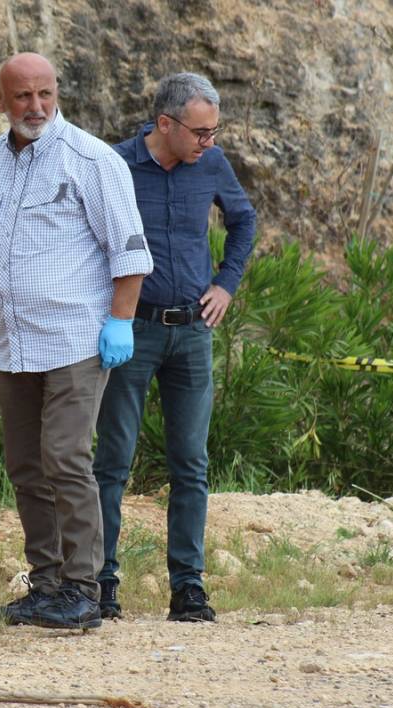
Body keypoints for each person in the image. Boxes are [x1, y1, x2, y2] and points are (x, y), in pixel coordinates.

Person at [0, 52, 153, 630]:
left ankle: (85, 588)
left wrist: (120, 319)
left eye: (46, 94)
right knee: (26, 465)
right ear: (0, 100)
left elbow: (128, 250)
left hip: (76, 337)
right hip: (13, 343)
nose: (36, 107)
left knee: (66, 458)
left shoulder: (91, 159)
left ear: (57, 94)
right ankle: (46, 583)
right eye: (23, 97)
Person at [93, 72, 256, 622]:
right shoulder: (113, 165)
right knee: (112, 462)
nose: (209, 142)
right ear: (165, 124)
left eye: (214, 131)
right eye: (201, 132)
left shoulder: (211, 163)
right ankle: (100, 581)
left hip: (191, 332)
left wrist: (227, 284)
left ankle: (188, 587)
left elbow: (244, 220)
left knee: (191, 463)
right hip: (130, 332)